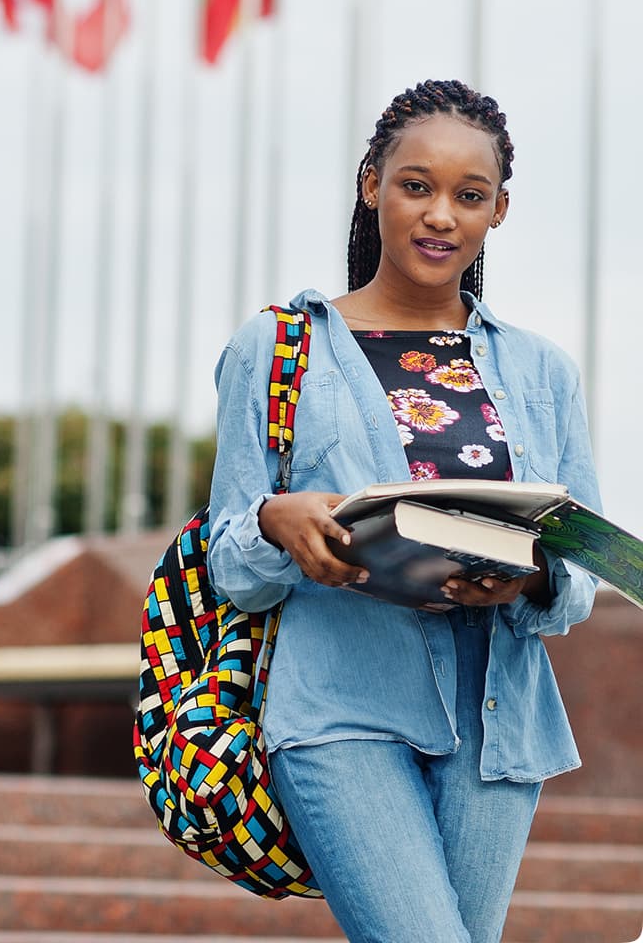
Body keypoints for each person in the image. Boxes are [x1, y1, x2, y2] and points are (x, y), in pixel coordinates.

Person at [207, 79, 601, 943]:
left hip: (502, 729)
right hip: (341, 707)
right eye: (415, 185)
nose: (440, 216)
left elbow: (577, 580)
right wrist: (279, 521)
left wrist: (532, 575)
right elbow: (230, 563)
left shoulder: (542, 372)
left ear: (499, 211)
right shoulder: (280, 347)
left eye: (469, 196)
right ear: (370, 185)